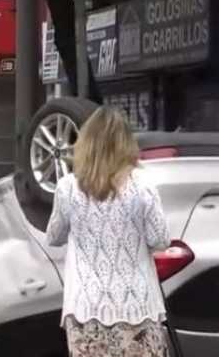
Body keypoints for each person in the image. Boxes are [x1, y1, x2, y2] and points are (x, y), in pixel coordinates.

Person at [46, 106, 171, 357]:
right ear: (126, 144)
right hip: (138, 308)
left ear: (86, 143)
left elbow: (53, 237)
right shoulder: (142, 186)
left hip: (85, 310)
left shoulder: (67, 188)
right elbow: (160, 240)